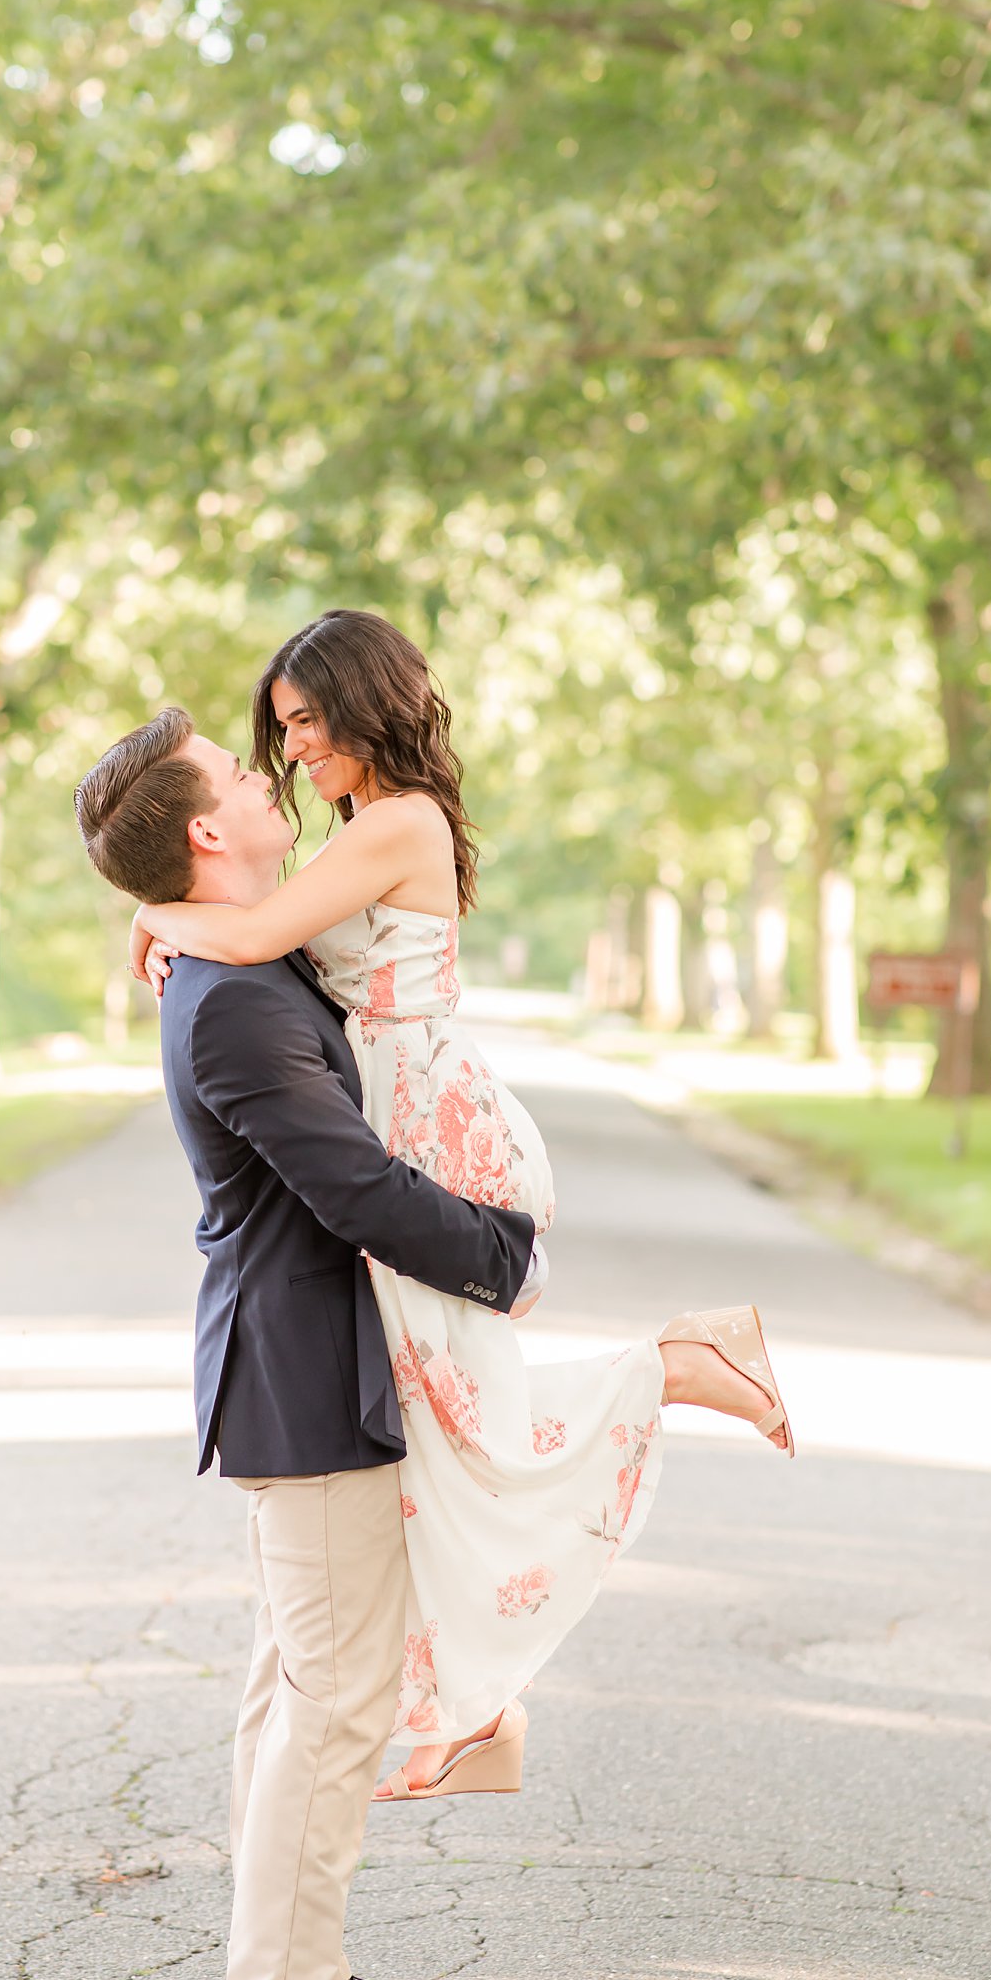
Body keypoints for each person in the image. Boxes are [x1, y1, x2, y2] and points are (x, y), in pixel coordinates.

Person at [126, 611, 794, 1808]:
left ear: (364, 705)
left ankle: (682, 1363)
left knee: (464, 1428)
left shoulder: (396, 822)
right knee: (440, 1430)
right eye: (279, 731)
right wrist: (175, 915)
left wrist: (147, 911)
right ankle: (474, 1710)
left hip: (432, 1124)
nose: (296, 749)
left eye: (309, 722)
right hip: (392, 1108)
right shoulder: (355, 820)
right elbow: (266, 937)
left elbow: (265, 931)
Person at [74, 709, 545, 1980]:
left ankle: (301, 1970)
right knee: (331, 1708)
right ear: (211, 830)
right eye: (234, 768)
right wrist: (506, 1251)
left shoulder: (249, 955)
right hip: (304, 1378)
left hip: (310, 1367)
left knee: (297, 1692)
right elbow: (355, 1189)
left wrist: (155, 914)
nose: (262, 773)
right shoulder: (233, 1001)